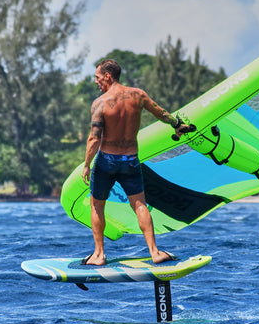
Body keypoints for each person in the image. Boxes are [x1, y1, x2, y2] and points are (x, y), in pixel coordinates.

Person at [81, 59, 194, 266]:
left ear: (108, 76)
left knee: (97, 206)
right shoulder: (138, 95)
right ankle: (155, 252)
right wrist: (177, 124)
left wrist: (87, 164)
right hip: (130, 160)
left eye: (97, 77)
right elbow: (160, 113)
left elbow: (94, 138)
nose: (96, 82)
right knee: (140, 205)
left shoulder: (100, 103)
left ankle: (98, 255)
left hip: (106, 160)